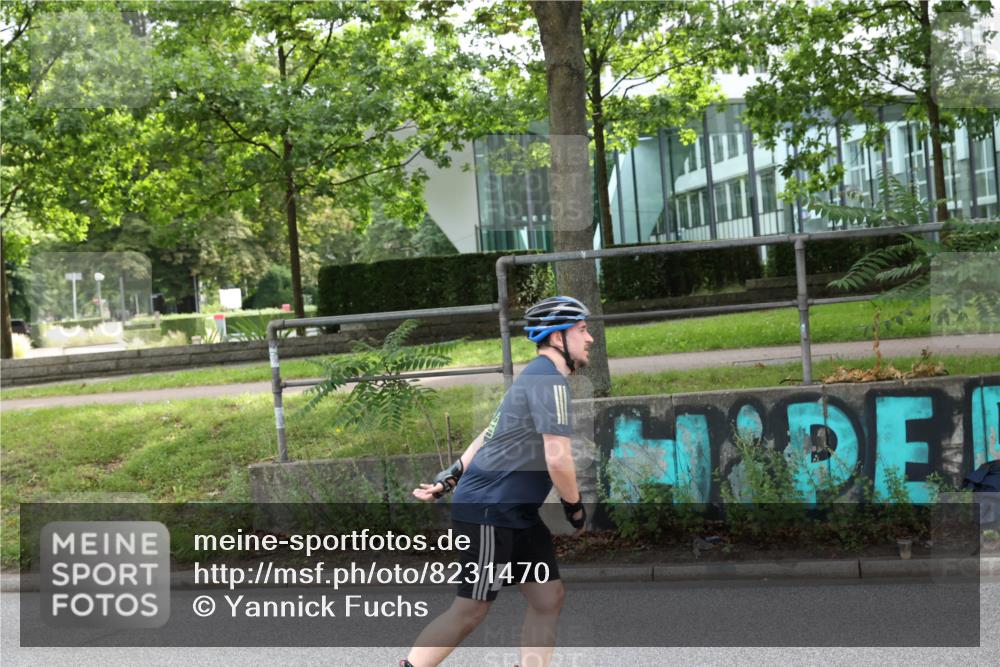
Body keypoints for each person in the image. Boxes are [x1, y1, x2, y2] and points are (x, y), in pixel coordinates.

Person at [401, 296, 594, 667]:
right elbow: (557, 458)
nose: (590, 339)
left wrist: (451, 474)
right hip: (490, 511)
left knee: (548, 597)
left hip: (516, 513)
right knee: (471, 609)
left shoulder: (538, 376)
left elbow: (491, 432)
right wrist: (574, 508)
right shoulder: (548, 382)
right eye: (582, 330)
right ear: (558, 338)